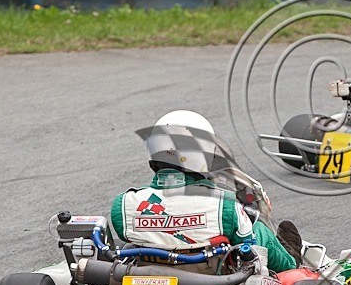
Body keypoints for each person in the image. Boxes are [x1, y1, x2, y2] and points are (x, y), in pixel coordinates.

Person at [110, 110, 302, 272]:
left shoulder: (124, 204)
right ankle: (292, 263)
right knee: (259, 231)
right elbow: (249, 248)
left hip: (150, 279)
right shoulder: (224, 205)